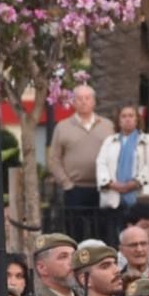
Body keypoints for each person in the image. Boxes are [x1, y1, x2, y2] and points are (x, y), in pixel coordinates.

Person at [48, 85, 115, 241]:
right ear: (73, 102)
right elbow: (54, 158)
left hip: (104, 188)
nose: (84, 102)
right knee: (75, 234)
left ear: (94, 102)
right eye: (79, 98)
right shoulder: (62, 127)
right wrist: (66, 184)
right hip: (74, 189)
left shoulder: (108, 126)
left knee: (103, 233)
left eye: (87, 98)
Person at [95, 104, 149, 216]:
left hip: (138, 196)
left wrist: (132, 184)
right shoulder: (110, 141)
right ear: (119, 121)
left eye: (131, 115)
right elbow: (101, 164)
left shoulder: (146, 140)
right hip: (113, 197)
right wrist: (111, 184)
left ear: (137, 119)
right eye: (123, 116)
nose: (127, 119)